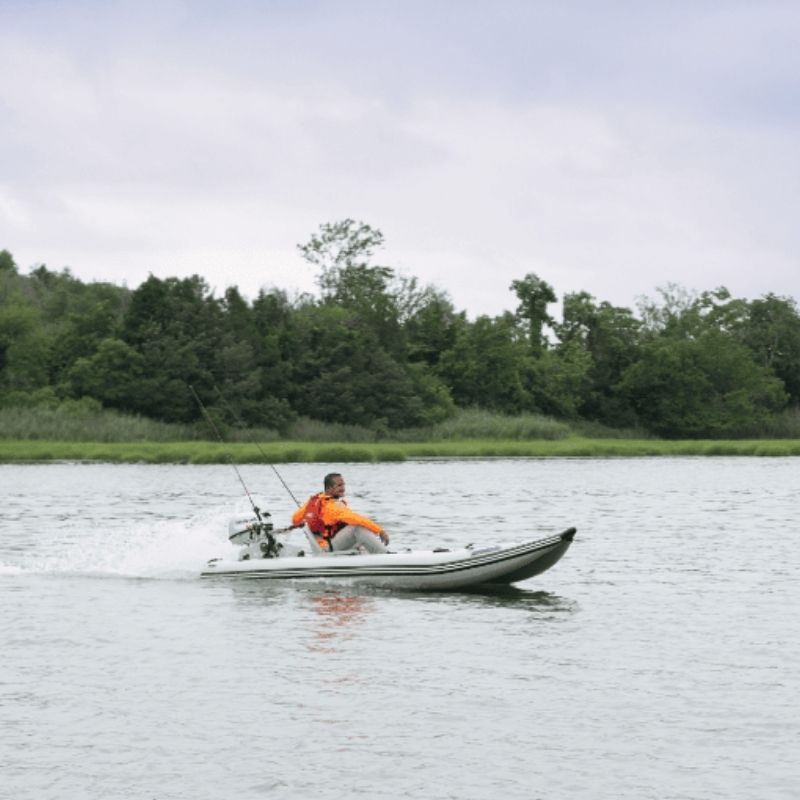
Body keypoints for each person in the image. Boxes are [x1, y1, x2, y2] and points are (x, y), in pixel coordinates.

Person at [292, 473, 389, 554]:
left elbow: (295, 519)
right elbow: (356, 518)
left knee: (359, 535)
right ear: (329, 489)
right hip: (327, 548)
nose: (343, 488)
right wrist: (380, 531)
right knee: (357, 528)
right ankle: (384, 555)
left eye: (343, 485)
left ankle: (377, 554)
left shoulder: (315, 502)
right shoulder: (333, 506)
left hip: (323, 546)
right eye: (339, 486)